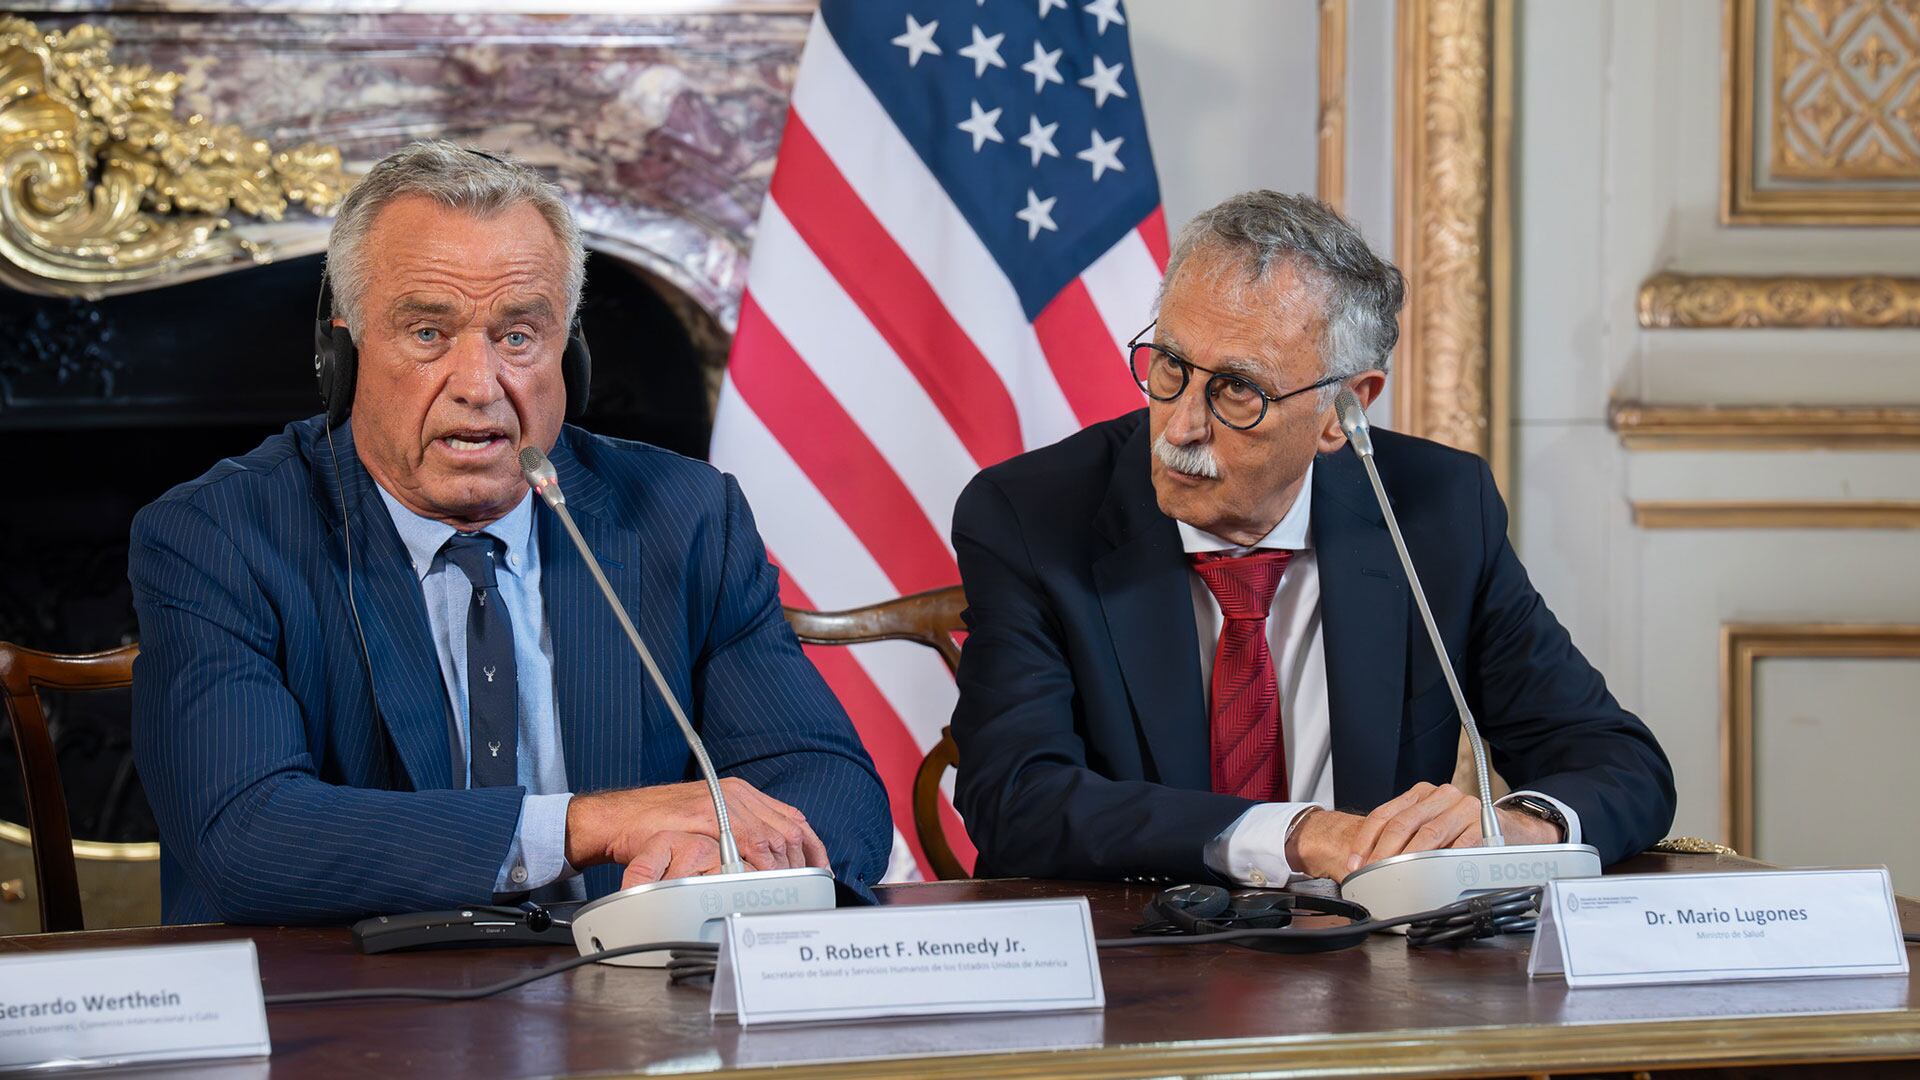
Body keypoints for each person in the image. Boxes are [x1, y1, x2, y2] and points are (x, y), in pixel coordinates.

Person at [130, 141, 891, 924]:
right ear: (345, 351)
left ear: (571, 353)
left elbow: (824, 779)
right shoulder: (218, 536)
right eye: (428, 333)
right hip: (348, 1017)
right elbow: (248, 834)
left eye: (518, 336)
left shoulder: (685, 515)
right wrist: (593, 825)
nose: (479, 385)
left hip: (629, 999)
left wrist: (721, 854)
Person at [950, 191, 1674, 886]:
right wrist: (1293, 835)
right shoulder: (1031, 515)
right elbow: (1015, 798)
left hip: (1369, 971)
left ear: (1344, 411)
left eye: (1238, 389)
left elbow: (1618, 761)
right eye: (1171, 365)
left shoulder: (1434, 511)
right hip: (1134, 964)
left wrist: (1515, 826)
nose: (1179, 428)